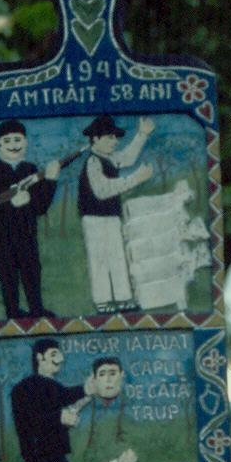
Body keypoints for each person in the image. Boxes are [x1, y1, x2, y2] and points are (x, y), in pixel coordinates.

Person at [0, 119, 60, 319]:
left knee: (32, 270)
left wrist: (51, 180)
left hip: (27, 233)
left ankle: (36, 309)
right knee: (8, 273)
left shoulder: (30, 170)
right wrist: (11, 203)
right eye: (7, 141)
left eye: (17, 139)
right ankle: (12, 311)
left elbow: (41, 207)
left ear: (25, 142)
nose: (13, 145)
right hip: (2, 237)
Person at [3, 338, 93, 462]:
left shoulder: (52, 386)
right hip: (39, 454)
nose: (60, 358)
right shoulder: (25, 388)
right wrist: (60, 418)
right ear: (40, 357)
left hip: (55, 453)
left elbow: (67, 396)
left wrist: (87, 390)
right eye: (54, 354)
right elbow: (31, 421)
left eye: (59, 354)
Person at [78, 114, 155, 314]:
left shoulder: (110, 158)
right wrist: (136, 178)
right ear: (96, 139)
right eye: (110, 137)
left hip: (111, 216)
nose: (115, 141)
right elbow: (103, 190)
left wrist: (142, 135)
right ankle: (102, 301)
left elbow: (128, 157)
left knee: (117, 257)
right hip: (93, 218)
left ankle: (123, 298)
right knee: (99, 260)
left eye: (115, 137)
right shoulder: (93, 162)